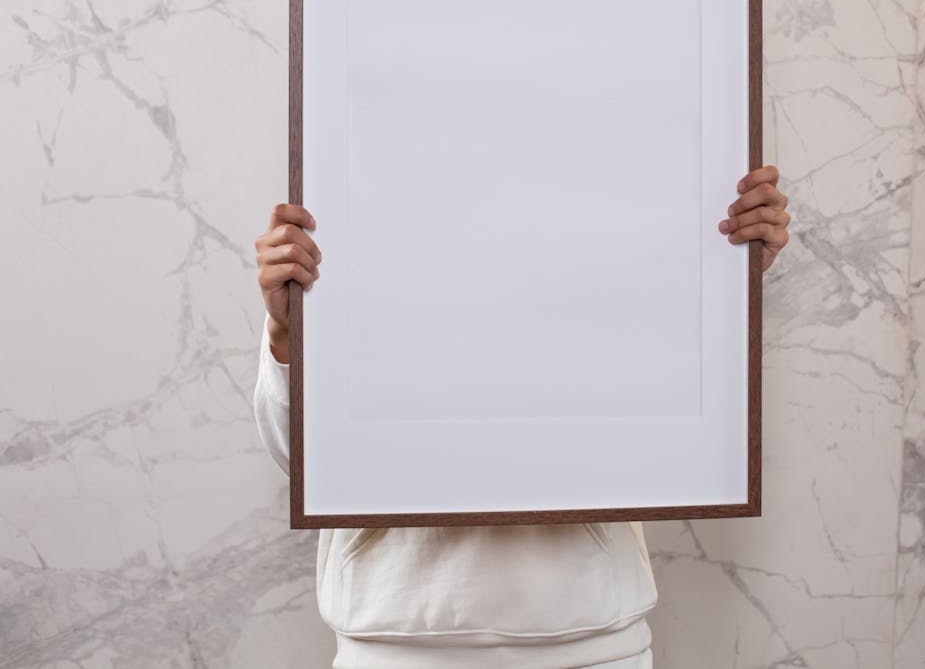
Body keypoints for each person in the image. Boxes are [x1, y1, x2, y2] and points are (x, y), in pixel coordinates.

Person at [252, 165, 792, 668]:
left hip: (591, 634)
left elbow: (666, 404)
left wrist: (723, 277)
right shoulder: (358, 190)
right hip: (392, 637)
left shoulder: (598, 190)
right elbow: (299, 463)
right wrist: (286, 334)